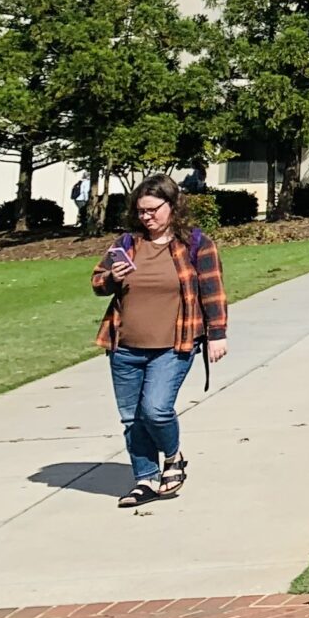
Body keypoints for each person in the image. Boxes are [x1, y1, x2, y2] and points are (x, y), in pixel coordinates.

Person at [88, 175, 228, 509]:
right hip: (124, 346)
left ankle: (174, 456)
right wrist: (111, 277)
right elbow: (97, 282)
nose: (146, 217)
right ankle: (146, 479)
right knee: (132, 418)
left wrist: (217, 335)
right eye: (141, 211)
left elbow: (212, 290)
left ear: (173, 206)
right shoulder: (126, 243)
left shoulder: (195, 243)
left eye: (153, 210)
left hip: (174, 345)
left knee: (156, 409)